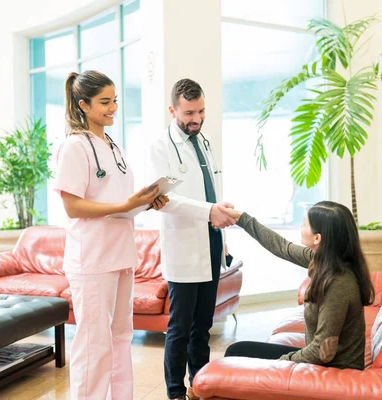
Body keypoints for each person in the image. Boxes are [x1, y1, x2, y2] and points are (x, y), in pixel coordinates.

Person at [54, 70, 169, 399]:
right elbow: (73, 206)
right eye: (104, 102)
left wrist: (144, 203)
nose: (113, 108)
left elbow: (118, 202)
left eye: (115, 100)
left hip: (121, 254)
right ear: (83, 105)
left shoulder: (113, 146)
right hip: (92, 258)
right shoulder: (74, 147)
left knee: (121, 336)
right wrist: (126, 203)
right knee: (94, 343)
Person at [147, 78, 235, 400]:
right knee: (180, 327)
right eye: (188, 112)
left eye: (200, 111)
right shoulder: (160, 146)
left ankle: (200, 384)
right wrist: (209, 210)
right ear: (173, 110)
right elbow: (164, 200)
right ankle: (174, 393)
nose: (195, 119)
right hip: (183, 243)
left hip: (211, 240)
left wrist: (220, 226)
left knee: (204, 324)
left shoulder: (206, 142)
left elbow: (213, 188)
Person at [220, 201, 374, 369]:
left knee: (237, 354)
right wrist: (242, 218)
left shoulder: (338, 284)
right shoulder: (325, 260)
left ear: (317, 238)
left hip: (333, 371)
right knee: (238, 350)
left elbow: (322, 351)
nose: (301, 226)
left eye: (305, 224)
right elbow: (282, 247)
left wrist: (282, 362)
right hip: (324, 362)